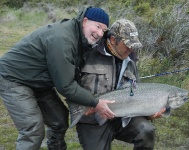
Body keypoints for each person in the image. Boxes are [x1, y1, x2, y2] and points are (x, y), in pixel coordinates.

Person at [0, 6, 115, 150]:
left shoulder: (81, 39)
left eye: (103, 30)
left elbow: (72, 75)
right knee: (33, 130)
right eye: (97, 26)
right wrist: (94, 102)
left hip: (38, 81)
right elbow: (65, 86)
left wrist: (87, 101)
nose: (99, 33)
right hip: (13, 77)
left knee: (59, 120)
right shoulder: (63, 39)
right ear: (85, 21)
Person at [75, 19, 166, 150]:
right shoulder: (87, 54)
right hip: (93, 120)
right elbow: (69, 85)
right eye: (127, 44)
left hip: (122, 118)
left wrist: (149, 114)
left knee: (146, 130)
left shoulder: (131, 62)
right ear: (113, 40)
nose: (131, 48)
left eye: (133, 45)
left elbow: (136, 96)